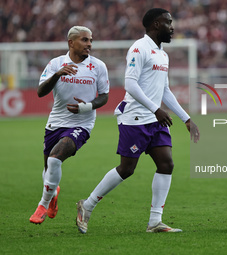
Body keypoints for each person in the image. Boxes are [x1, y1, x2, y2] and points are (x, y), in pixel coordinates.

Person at [76, 8, 200, 234]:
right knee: (127, 169)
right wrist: (155, 109)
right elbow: (130, 85)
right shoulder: (139, 48)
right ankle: (88, 204)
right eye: (168, 23)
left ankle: (155, 222)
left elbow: (165, 90)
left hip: (154, 121)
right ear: (155, 25)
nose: (172, 27)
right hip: (134, 118)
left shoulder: (163, 54)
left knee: (166, 164)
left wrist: (187, 119)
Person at [29, 26, 110, 224]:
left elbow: (105, 96)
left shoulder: (98, 66)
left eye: (90, 40)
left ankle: (43, 204)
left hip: (82, 124)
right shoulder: (56, 63)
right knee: (49, 170)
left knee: (55, 159)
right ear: (71, 43)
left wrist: (86, 107)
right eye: (84, 40)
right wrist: (57, 74)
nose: (89, 44)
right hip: (55, 123)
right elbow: (40, 92)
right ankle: (53, 192)